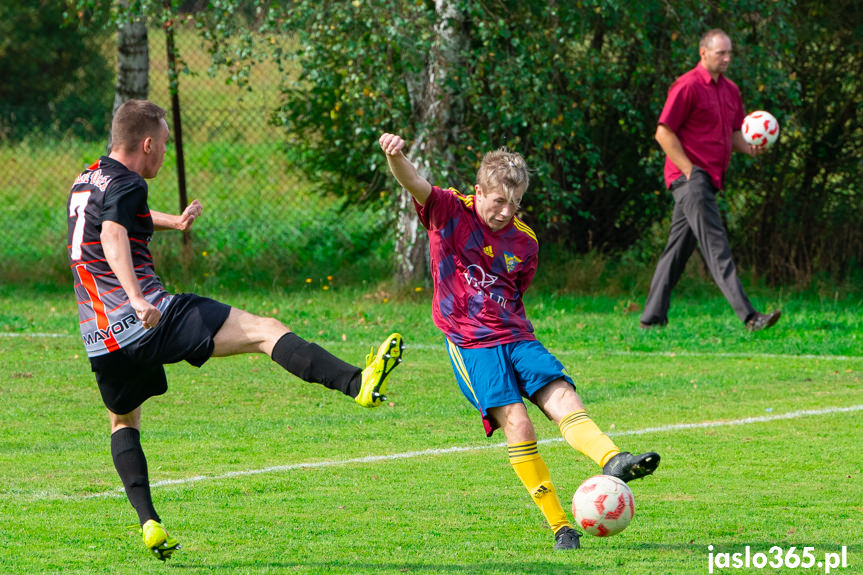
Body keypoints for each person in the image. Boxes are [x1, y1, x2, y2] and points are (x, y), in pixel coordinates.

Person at [66, 99, 403, 561]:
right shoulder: (128, 183)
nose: (164, 152)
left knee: (123, 421)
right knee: (265, 331)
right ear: (146, 144)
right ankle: (356, 382)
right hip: (149, 318)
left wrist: (175, 221)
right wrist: (139, 298)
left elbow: (114, 219)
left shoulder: (89, 177)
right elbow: (112, 234)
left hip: (100, 337)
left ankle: (149, 522)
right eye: (163, 144)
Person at [379, 132, 659, 551]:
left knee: (562, 395)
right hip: (471, 342)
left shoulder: (525, 241)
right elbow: (414, 183)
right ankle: (561, 525)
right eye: (498, 202)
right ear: (479, 193)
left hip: (516, 334)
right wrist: (396, 156)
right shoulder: (450, 210)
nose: (506, 212)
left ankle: (613, 459)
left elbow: (515, 289)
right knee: (519, 421)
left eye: (515, 204)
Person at [640, 29, 781, 332]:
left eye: (730, 53)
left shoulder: (730, 90)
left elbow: (734, 135)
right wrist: (690, 171)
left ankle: (651, 320)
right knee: (717, 248)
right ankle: (751, 317)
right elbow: (663, 132)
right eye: (721, 53)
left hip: (707, 179)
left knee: (676, 252)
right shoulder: (687, 86)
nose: (728, 58)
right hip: (692, 177)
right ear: (703, 53)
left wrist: (752, 147)